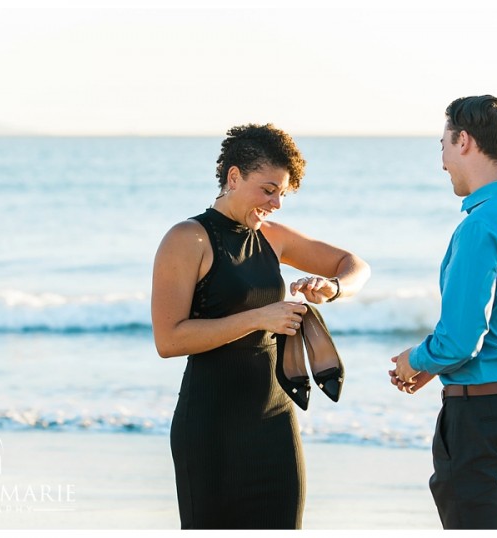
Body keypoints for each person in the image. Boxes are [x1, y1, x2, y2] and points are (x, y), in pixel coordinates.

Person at [152, 123, 371, 529]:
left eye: (282, 193)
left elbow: (357, 266)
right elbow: (168, 339)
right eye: (268, 190)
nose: (276, 203)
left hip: (274, 419)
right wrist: (259, 317)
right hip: (210, 427)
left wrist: (333, 287)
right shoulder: (187, 239)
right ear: (234, 177)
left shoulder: (272, 237)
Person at [389, 95, 497, 529]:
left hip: (484, 422)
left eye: (443, 145)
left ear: (464, 140)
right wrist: (445, 364)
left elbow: (462, 338)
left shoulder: (480, 225)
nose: (443, 161)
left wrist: (417, 359)